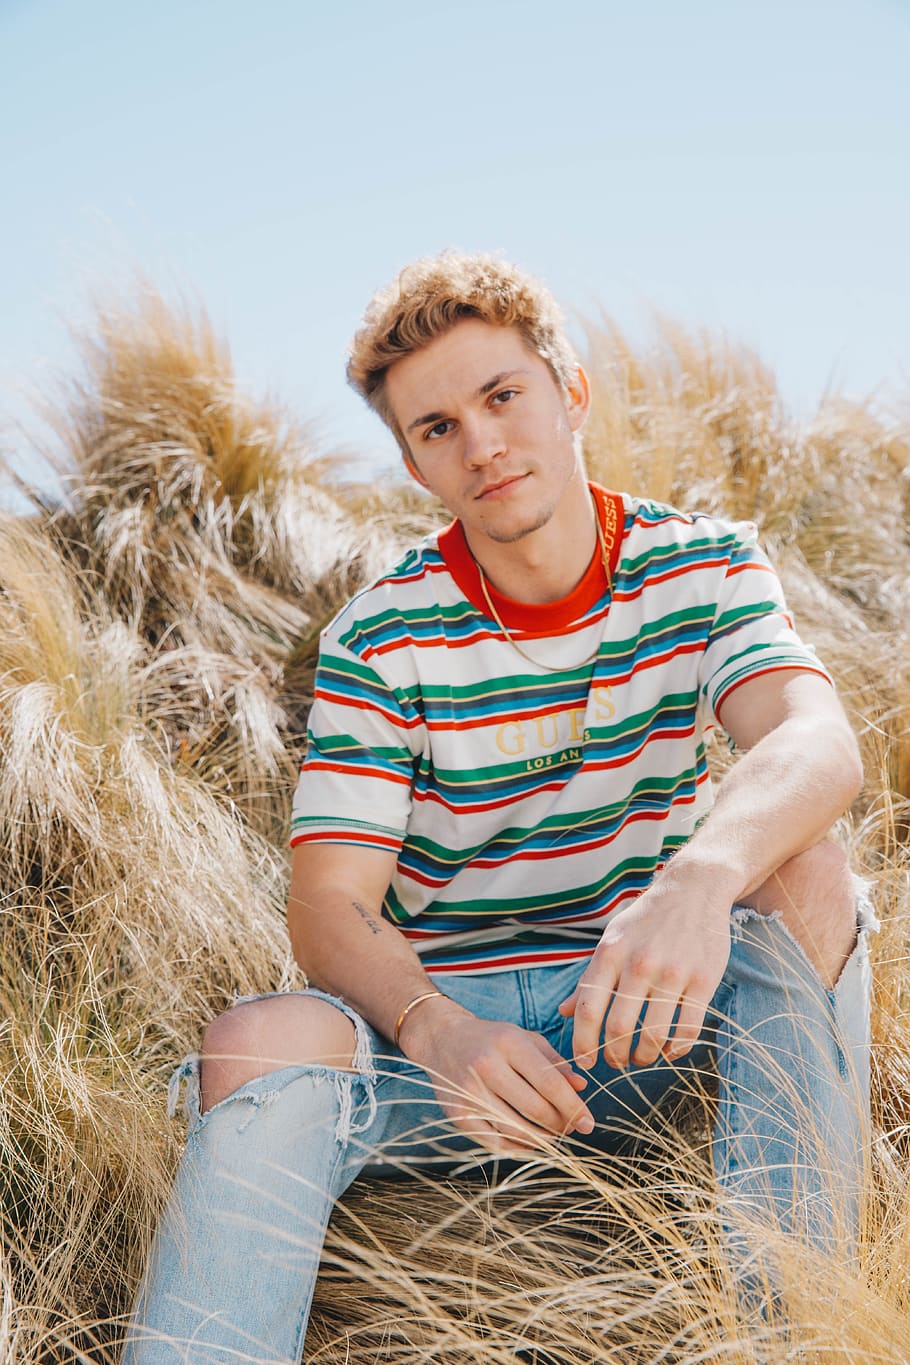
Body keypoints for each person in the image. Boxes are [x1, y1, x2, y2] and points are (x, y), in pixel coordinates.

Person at [123, 252, 875, 1362]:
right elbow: (330, 906)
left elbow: (816, 742)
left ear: (569, 394)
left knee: (807, 879)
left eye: (501, 397)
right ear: (416, 465)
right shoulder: (380, 639)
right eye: (435, 428)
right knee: (257, 1042)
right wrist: (436, 1028)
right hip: (446, 1050)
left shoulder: (702, 568)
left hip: (646, 1015)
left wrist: (697, 882)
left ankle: (800, 1337)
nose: (479, 444)